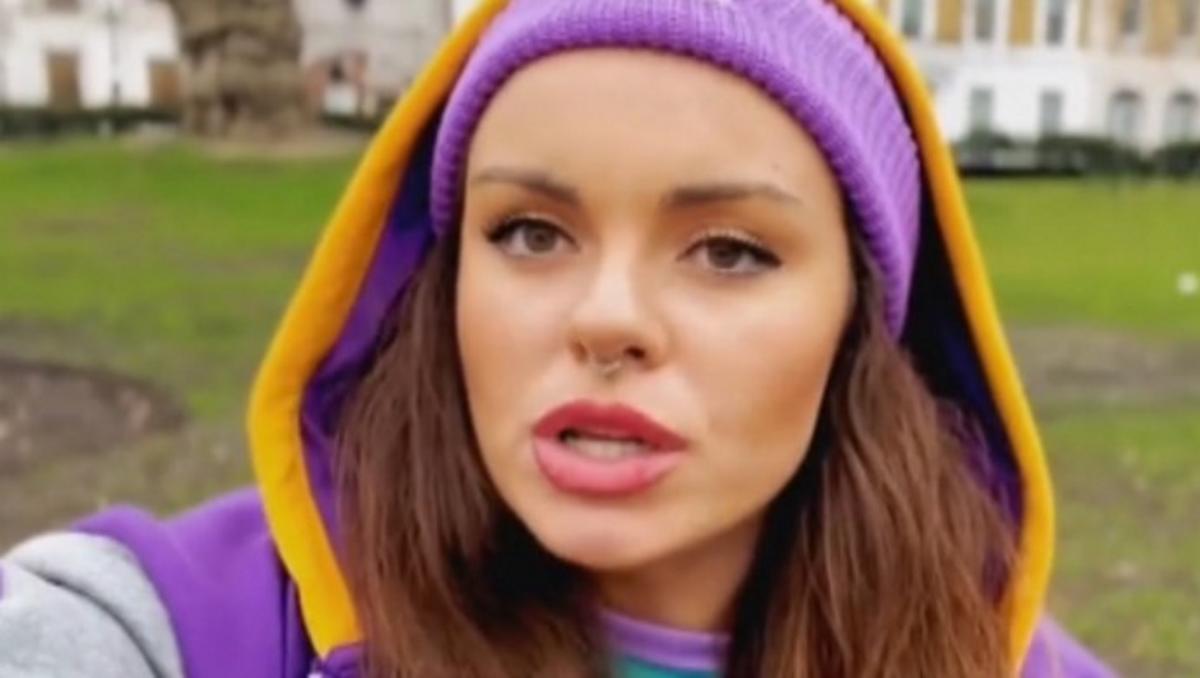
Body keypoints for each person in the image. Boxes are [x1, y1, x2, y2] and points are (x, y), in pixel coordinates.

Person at [0, 1, 1116, 676]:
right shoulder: (176, 630)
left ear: (858, 326)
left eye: (730, 251)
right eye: (531, 232)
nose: (606, 317)